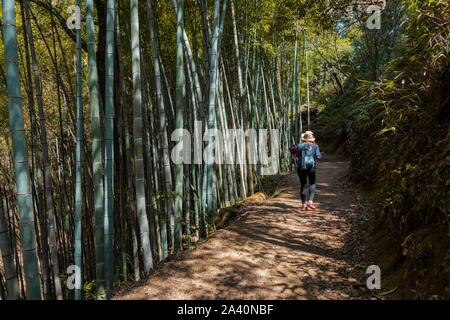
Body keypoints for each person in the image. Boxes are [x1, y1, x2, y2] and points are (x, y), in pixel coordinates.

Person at [293, 131, 321, 211]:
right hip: (311, 168)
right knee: (312, 183)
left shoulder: (299, 146)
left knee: (303, 185)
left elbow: (295, 156)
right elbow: (319, 157)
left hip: (301, 168)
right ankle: (310, 201)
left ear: (303, 139)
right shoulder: (315, 146)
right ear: (312, 139)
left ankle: (303, 205)